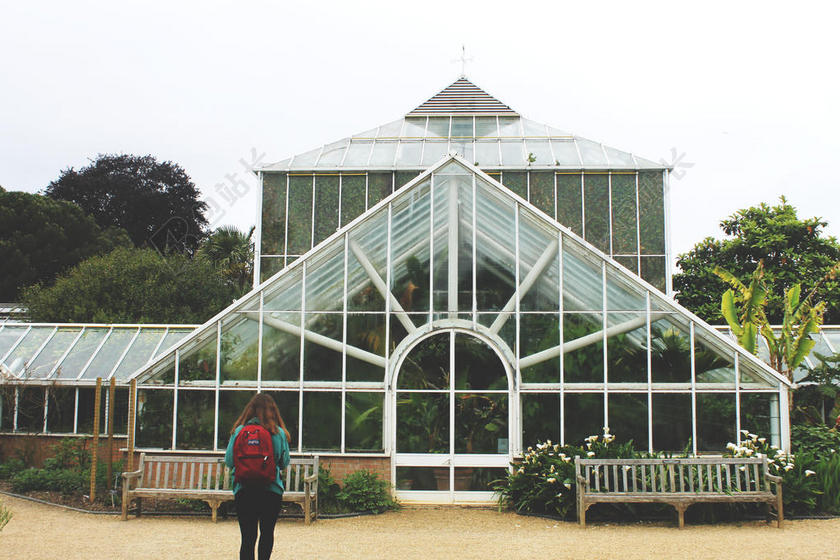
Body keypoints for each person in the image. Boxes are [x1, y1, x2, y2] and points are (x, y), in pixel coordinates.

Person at [225, 393, 291, 560]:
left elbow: (229, 461)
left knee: (247, 537)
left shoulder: (240, 431)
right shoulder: (279, 433)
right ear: (272, 411)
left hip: (244, 490)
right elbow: (284, 463)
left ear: (250, 410)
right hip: (271, 491)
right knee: (267, 533)